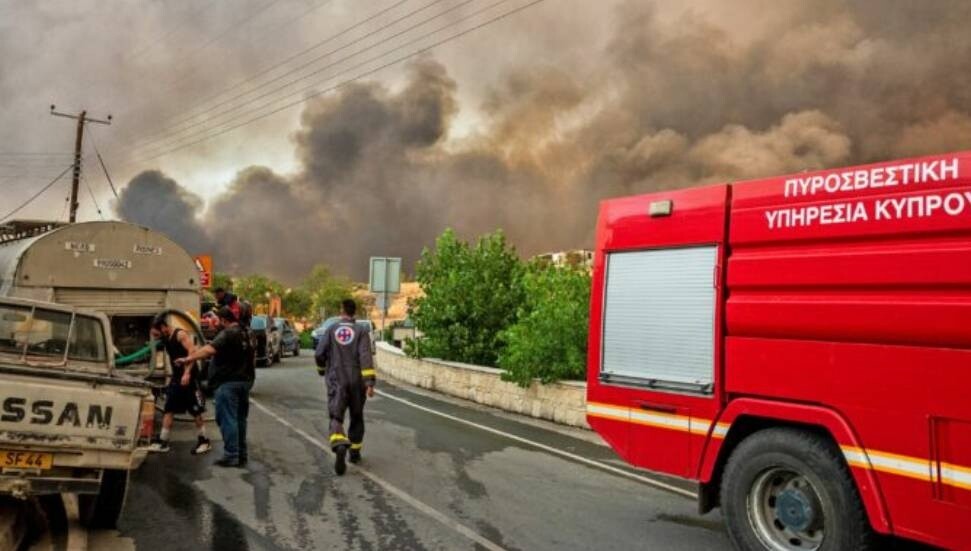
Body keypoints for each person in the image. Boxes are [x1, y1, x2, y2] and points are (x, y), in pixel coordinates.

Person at [176, 307, 251, 468]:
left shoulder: (228, 333)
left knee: (228, 419)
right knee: (239, 419)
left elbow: (208, 350)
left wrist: (188, 359)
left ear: (224, 320)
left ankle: (231, 456)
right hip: (244, 381)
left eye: (216, 320)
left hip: (227, 383)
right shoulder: (246, 332)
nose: (213, 323)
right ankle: (241, 454)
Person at [315, 298, 375, 475]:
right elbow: (365, 357)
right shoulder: (361, 331)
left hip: (337, 380)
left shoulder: (332, 329)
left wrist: (321, 370)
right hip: (357, 381)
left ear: (341, 311)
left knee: (336, 415)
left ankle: (339, 442)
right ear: (354, 312)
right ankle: (354, 453)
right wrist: (369, 383)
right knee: (357, 416)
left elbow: (319, 353)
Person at [149, 314, 212, 455]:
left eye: (157, 334)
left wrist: (187, 373)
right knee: (169, 408)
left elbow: (193, 352)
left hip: (190, 377)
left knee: (196, 410)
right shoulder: (165, 338)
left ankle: (204, 441)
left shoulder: (180, 335)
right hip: (177, 378)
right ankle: (163, 441)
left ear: (164, 327)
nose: (156, 337)